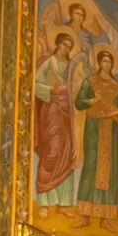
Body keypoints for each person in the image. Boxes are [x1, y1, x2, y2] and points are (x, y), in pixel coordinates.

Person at [74, 48, 118, 232]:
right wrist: (91, 101)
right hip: (94, 128)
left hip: (111, 130)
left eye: (110, 62)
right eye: (104, 61)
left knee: (109, 172)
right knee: (91, 166)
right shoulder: (90, 82)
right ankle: (84, 216)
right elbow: (79, 102)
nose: (107, 65)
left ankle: (105, 218)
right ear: (99, 63)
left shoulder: (117, 87)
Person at [34, 32, 77, 220]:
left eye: (69, 46)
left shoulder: (72, 67)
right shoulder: (49, 62)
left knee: (69, 154)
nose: (66, 49)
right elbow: (34, 83)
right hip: (51, 110)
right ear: (57, 44)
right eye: (63, 45)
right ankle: (44, 201)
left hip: (69, 115)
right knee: (52, 150)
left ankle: (63, 204)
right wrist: (51, 90)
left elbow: (78, 86)